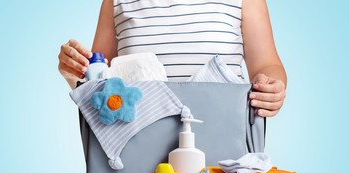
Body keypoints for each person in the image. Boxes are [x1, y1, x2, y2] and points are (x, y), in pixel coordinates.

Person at [58, 0, 286, 117]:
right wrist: (75, 72)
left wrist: (272, 87)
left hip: (224, 135)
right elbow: (99, 85)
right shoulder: (117, 1)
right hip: (136, 142)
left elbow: (267, 64)